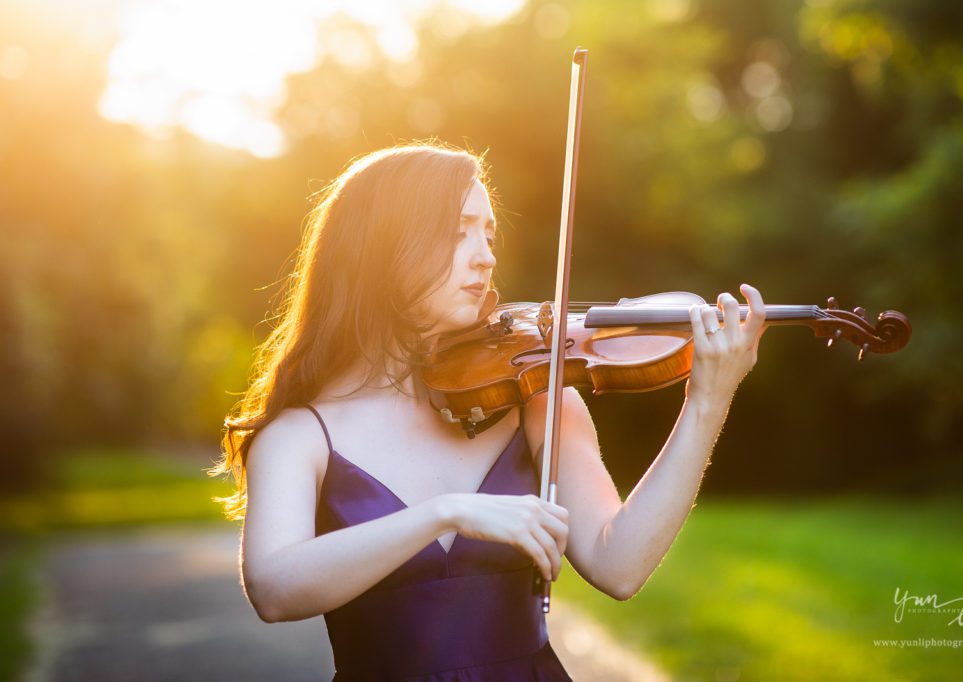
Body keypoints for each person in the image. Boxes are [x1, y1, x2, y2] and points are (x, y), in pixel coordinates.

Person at [210, 141, 767, 680]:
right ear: (381, 248)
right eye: (459, 233)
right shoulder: (300, 435)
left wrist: (708, 401)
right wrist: (445, 513)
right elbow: (274, 589)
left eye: (489, 233)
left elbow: (618, 564)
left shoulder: (535, 398)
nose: (486, 256)